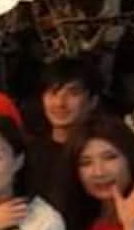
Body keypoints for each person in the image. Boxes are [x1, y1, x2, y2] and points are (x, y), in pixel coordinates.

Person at [25, 56, 102, 204]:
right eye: (53, 92)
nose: (60, 103)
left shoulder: (100, 152)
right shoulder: (30, 152)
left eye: (73, 93)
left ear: (93, 101)